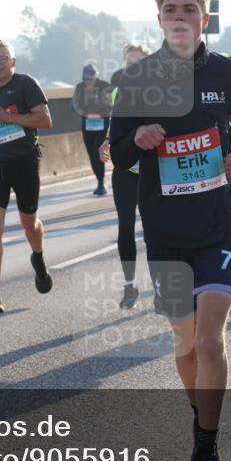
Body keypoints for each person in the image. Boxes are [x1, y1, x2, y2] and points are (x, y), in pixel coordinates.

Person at [109, 0, 231, 461]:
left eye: (191, 9)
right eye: (171, 9)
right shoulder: (135, 79)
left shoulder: (228, 72)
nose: (181, 16)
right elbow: (118, 153)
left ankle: (205, 452)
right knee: (184, 339)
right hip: (167, 232)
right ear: (159, 18)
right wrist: (139, 140)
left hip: (220, 224)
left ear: (205, 16)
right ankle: (202, 429)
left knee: (209, 339)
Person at [0, 40, 54, 314]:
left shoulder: (25, 84)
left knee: (29, 222)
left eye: (2, 59)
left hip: (24, 161)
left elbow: (45, 120)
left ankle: (38, 260)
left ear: (12, 62)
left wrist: (9, 117)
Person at [100, 43, 151, 309]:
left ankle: (164, 284)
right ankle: (130, 285)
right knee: (126, 226)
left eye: (139, 63)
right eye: (130, 63)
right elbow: (115, 124)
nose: (134, 68)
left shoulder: (161, 92)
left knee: (156, 228)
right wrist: (107, 140)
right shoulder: (120, 91)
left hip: (154, 170)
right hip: (126, 170)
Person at [72, 63, 111, 195]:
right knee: (91, 153)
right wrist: (84, 112)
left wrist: (106, 110)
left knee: (97, 152)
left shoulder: (105, 85)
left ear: (97, 76)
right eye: (87, 78)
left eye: (92, 78)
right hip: (87, 123)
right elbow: (74, 103)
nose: (89, 81)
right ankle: (99, 180)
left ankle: (101, 182)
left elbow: (116, 100)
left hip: (103, 122)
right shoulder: (80, 87)